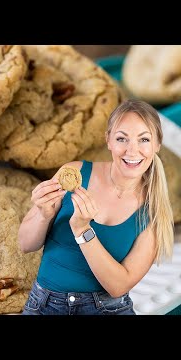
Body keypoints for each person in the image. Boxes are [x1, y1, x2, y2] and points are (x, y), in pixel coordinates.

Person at [18, 99, 174, 315]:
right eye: (122, 138)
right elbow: (25, 244)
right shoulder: (74, 173)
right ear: (108, 140)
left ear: (157, 145)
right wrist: (43, 215)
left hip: (108, 309)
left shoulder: (154, 212)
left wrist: (83, 231)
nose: (132, 150)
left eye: (144, 139)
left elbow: (119, 286)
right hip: (45, 305)